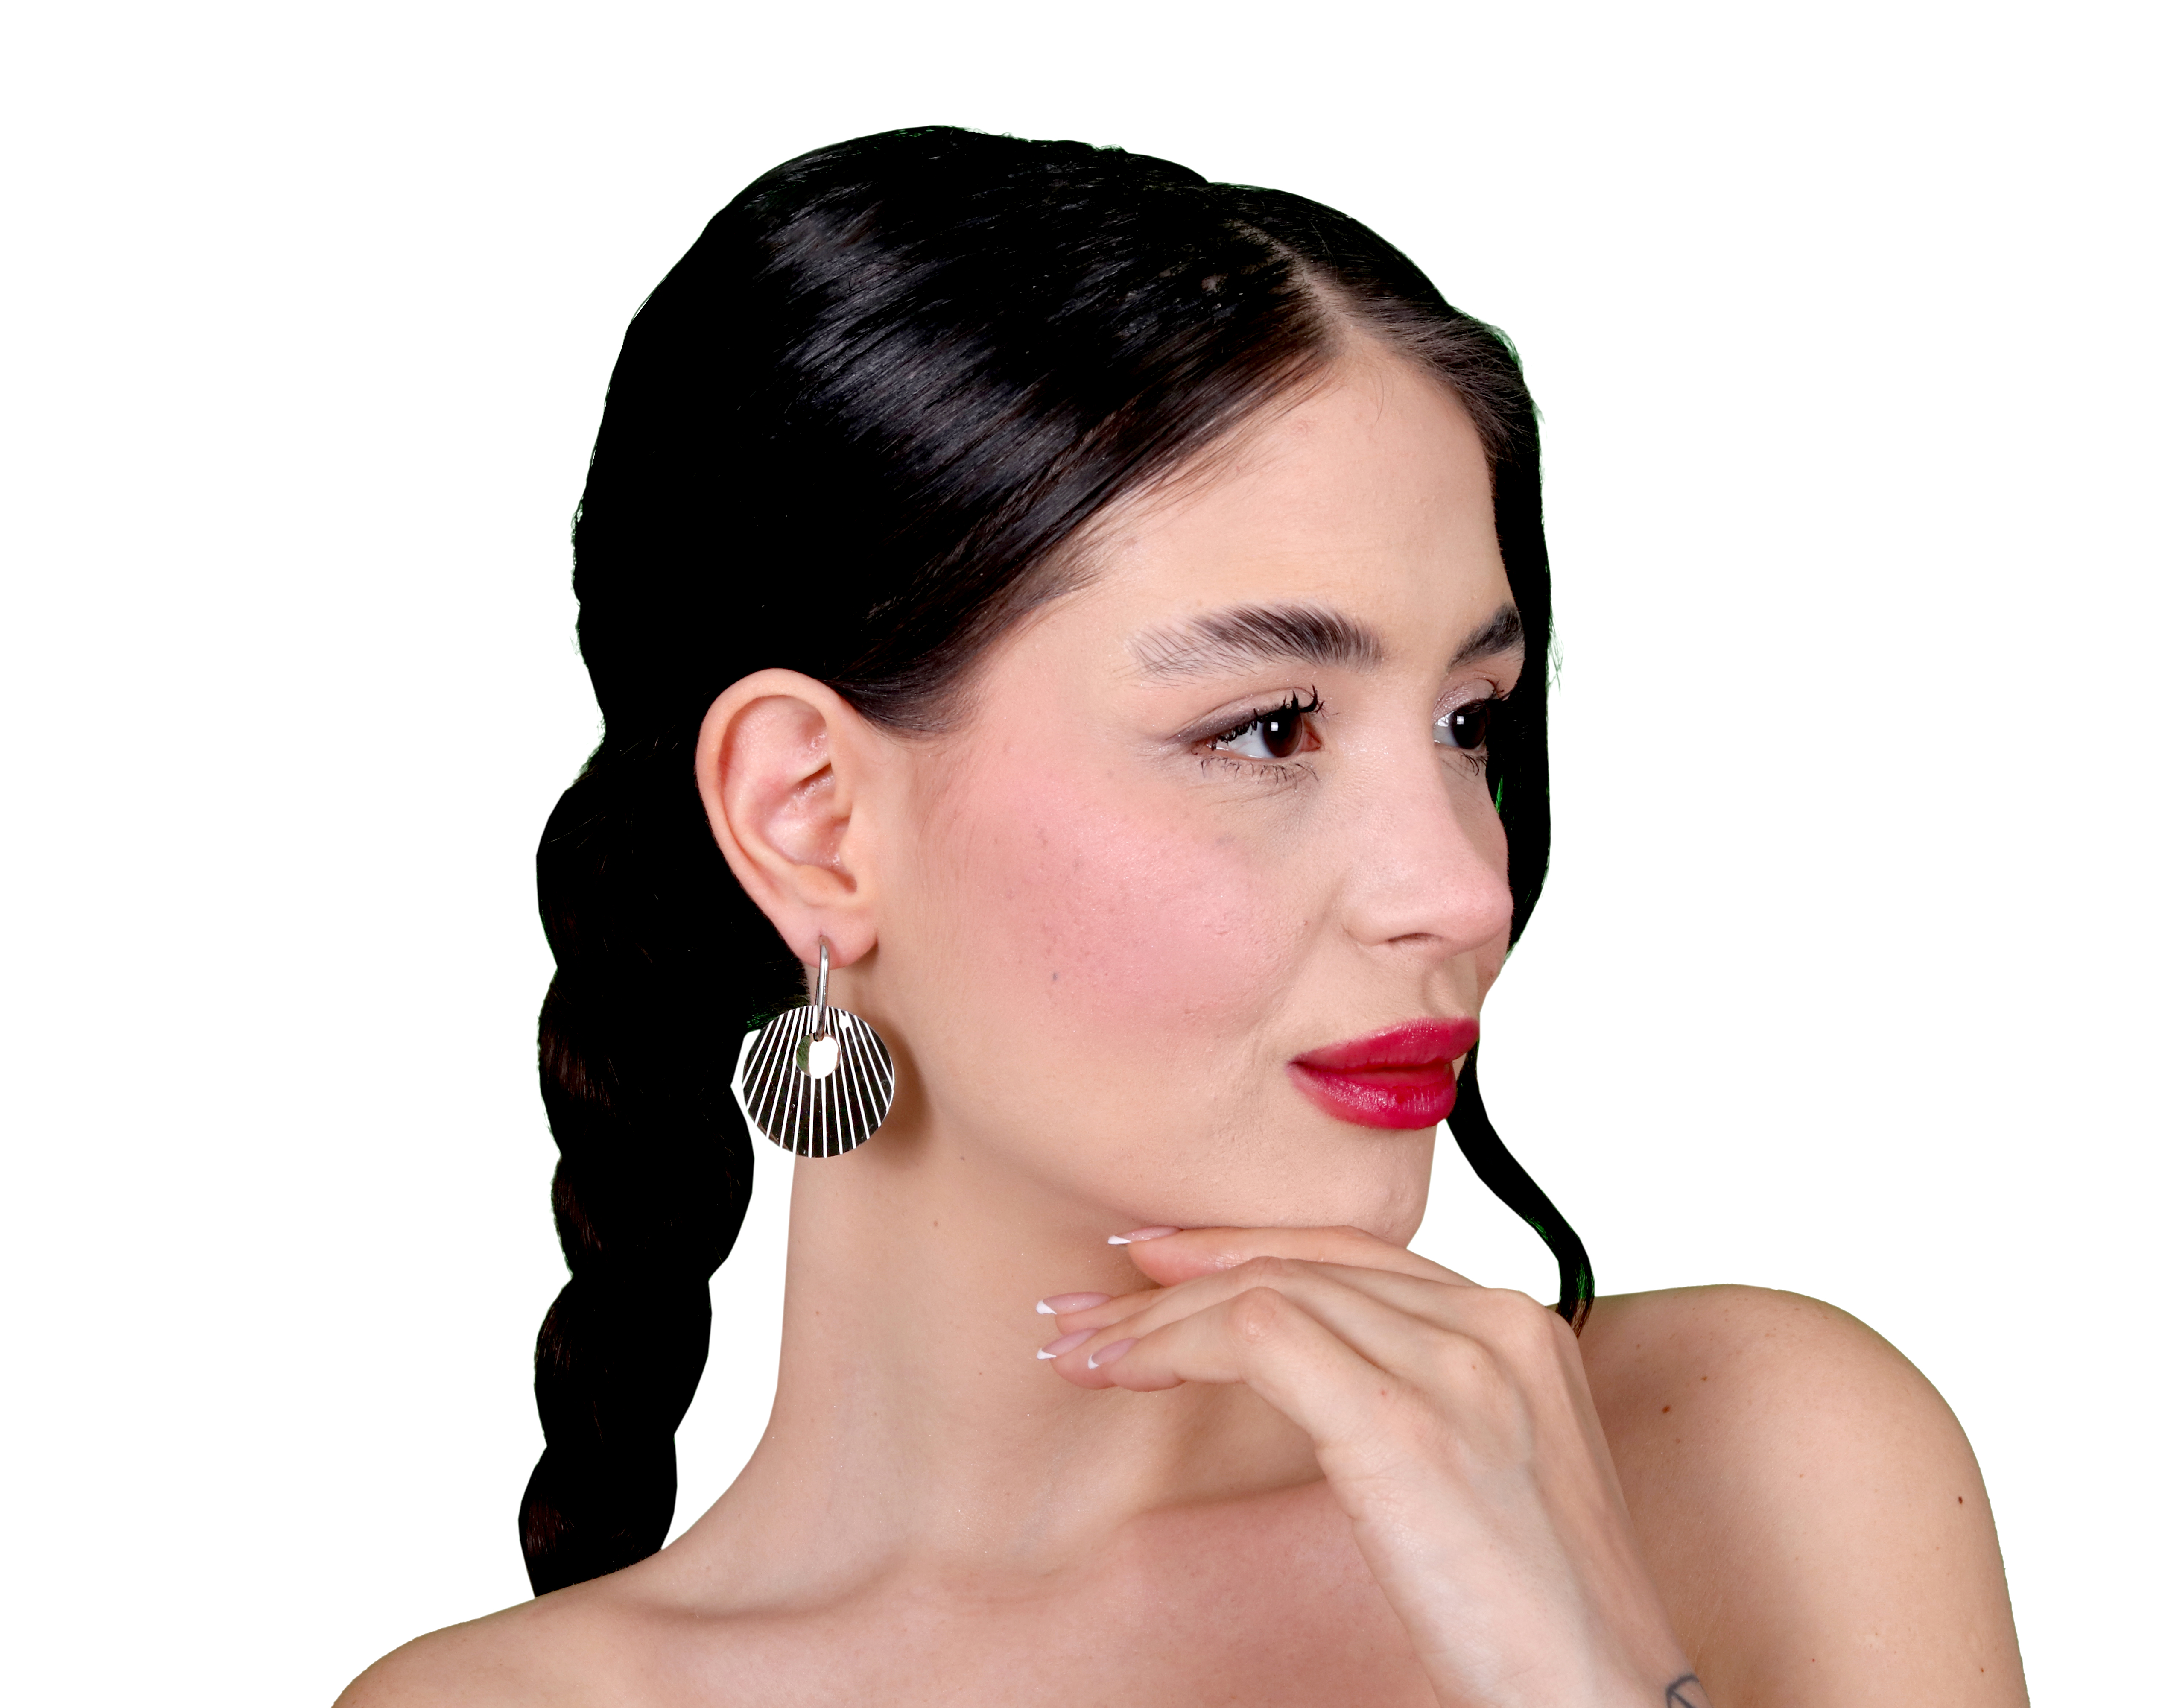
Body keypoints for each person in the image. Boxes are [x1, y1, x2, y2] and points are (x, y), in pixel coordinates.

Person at [341, 126, 2027, 1706]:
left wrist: (1578, 1661)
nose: (1461, 890)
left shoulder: (1758, 1463)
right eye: (1269, 729)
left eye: (1469, 722)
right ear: (815, 819)